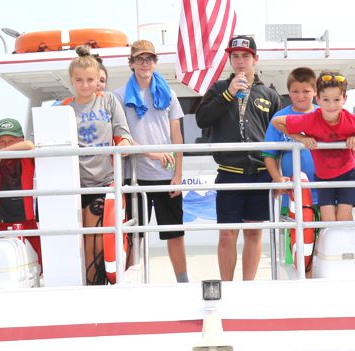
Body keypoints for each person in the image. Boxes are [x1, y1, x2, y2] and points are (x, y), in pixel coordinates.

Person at [195, 35, 281, 281]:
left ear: (255, 59)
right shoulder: (218, 88)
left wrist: (277, 177)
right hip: (229, 173)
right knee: (227, 234)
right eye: (235, 56)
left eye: (245, 56)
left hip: (261, 175)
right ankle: (227, 287)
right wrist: (228, 94)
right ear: (230, 60)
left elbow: (279, 139)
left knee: (253, 233)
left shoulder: (269, 94)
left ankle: (248, 286)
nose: (240, 61)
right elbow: (202, 119)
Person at [117, 39, 188, 282]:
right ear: (131, 63)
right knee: (135, 236)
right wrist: (152, 153)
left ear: (155, 62)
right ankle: (132, 283)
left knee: (175, 233)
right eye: (139, 59)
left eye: (149, 58)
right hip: (135, 176)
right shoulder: (118, 96)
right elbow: (122, 137)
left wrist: (178, 174)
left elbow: (177, 135)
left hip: (167, 175)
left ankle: (183, 282)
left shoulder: (169, 93)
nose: (144, 63)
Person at [64, 45, 134, 285]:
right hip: (74, 186)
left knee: (99, 243)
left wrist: (125, 144)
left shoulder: (109, 101)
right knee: (83, 244)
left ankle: (101, 288)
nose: (85, 85)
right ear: (71, 80)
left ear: (98, 80)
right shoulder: (63, 108)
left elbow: (123, 133)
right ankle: (90, 290)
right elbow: (40, 140)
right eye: (79, 80)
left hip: (103, 182)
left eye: (90, 80)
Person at [271, 72, 355, 223]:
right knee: (328, 219)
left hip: (347, 172)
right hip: (323, 175)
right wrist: (301, 138)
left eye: (336, 99)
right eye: (326, 99)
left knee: (343, 217)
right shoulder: (310, 120)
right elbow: (276, 121)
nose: (331, 105)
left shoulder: (350, 121)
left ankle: (346, 240)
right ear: (318, 99)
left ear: (344, 99)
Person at [263, 67, 319, 235]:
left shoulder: (324, 114)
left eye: (306, 91)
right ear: (288, 92)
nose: (300, 96)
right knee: (293, 244)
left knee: (324, 242)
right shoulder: (280, 119)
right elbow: (269, 154)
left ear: (315, 91)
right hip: (291, 195)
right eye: (295, 91)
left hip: (324, 194)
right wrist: (277, 178)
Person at [0, 118, 42, 266]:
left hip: (27, 221)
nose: (7, 144)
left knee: (41, 256)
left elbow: (29, 145)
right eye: (2, 141)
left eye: (12, 141)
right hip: (1, 222)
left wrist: (1, 154)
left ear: (20, 139)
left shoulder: (26, 158)